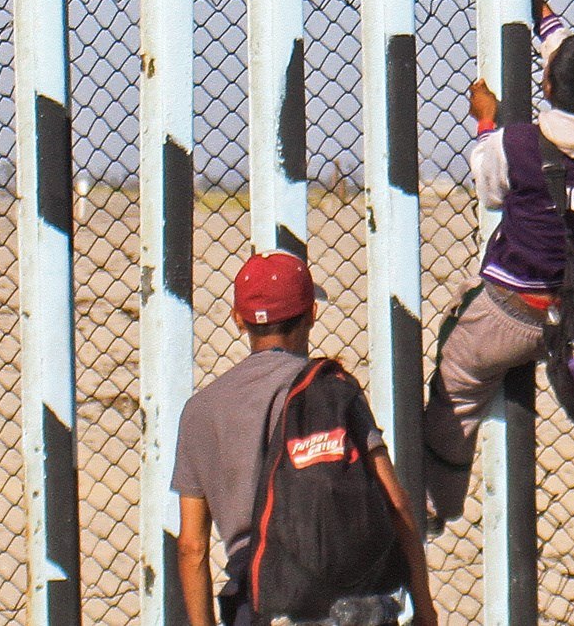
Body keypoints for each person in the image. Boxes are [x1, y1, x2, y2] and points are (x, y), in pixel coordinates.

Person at [422, 0, 574, 522]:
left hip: (513, 310)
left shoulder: (518, 143)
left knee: (457, 385)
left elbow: (491, 186)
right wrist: (544, 16)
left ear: (545, 88)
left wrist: (486, 119)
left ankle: (434, 507)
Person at [173, 252, 435, 626]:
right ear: (311, 314)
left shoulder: (201, 411)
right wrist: (424, 609)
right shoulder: (332, 391)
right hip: (352, 595)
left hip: (263, 595)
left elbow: (192, 548)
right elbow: (396, 502)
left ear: (237, 320)